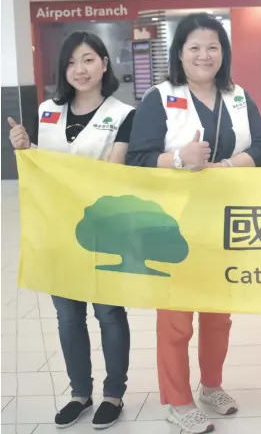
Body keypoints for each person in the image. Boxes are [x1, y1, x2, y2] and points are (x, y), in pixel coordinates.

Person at [125, 13, 261, 433]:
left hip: (225, 224)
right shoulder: (160, 96)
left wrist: (229, 164)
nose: (204, 55)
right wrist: (177, 160)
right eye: (194, 47)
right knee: (175, 318)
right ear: (179, 53)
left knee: (217, 315)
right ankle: (177, 399)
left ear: (223, 53)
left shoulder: (239, 96)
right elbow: (137, 159)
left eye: (213, 47)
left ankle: (211, 385)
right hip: (172, 225)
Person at [7, 31, 133, 430]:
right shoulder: (46, 111)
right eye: (71, 62)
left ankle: (113, 393)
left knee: (109, 313)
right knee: (67, 315)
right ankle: (80, 392)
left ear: (104, 64)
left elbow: (113, 173)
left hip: (105, 231)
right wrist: (23, 147)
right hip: (58, 231)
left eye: (88, 60)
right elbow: (38, 167)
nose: (80, 69)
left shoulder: (123, 114)